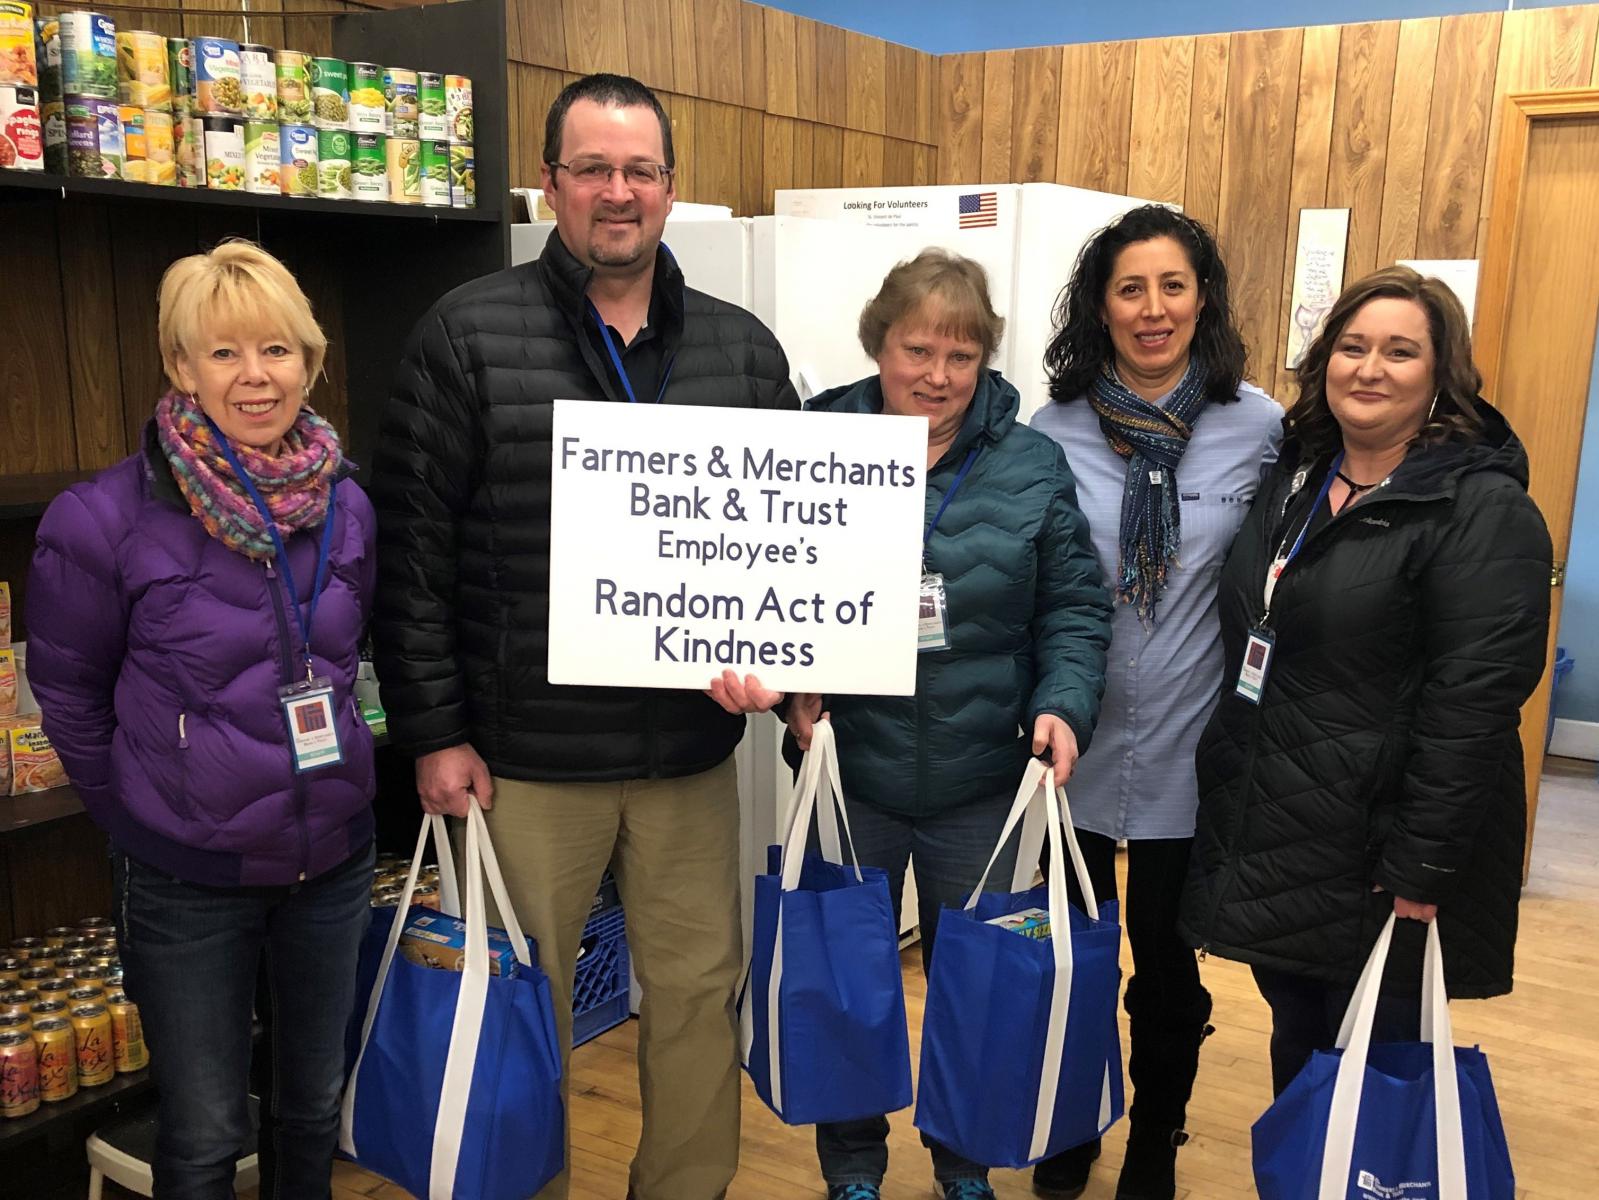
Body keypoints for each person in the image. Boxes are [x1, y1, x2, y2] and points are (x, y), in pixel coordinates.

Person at [369, 72, 798, 1200]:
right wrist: (433, 734)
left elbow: (784, 554)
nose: (620, 192)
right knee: (524, 1003)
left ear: (671, 186)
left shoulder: (746, 354)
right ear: (551, 184)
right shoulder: (464, 335)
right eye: (594, 169)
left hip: (686, 757)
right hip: (524, 763)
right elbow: (408, 561)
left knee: (700, 994)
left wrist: (785, 663)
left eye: (640, 170)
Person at [709, 248, 1113, 1200]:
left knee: (977, 990)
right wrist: (777, 676)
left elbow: (1074, 609)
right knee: (841, 983)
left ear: (984, 362)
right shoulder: (806, 445)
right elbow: (758, 583)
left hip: (982, 782)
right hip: (851, 771)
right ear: (876, 345)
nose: (936, 375)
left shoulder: (1029, 463)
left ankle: (961, 1166)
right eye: (917, 349)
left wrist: (1064, 703)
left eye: (960, 356)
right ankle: (852, 1167)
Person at [26, 240, 377, 1199]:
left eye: (277, 350)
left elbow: (342, 665)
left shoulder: (344, 504)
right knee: (205, 1131)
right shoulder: (99, 518)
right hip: (189, 880)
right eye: (222, 354)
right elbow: (69, 697)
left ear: (310, 360)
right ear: (180, 367)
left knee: (311, 1107)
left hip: (333, 861)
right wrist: (147, 811)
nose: (255, 378)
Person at [1178, 265, 1552, 1097]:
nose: (1369, 369)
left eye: (1398, 351)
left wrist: (1422, 868)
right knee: (1301, 1050)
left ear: (1439, 374)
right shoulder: (1298, 479)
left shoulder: (1479, 511)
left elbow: (1475, 707)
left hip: (1382, 855)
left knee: (1370, 1080)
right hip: (1285, 831)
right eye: (1351, 347)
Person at [1027, 205, 1282, 1200]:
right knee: (1075, 960)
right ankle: (1071, 1122)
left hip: (1192, 742)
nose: (1152, 308)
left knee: (1167, 974)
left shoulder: (1258, 426)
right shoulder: (1049, 432)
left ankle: (1155, 1140)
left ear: (1203, 297)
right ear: (1101, 303)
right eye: (1130, 288)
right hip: (1070, 743)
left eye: (1173, 285)